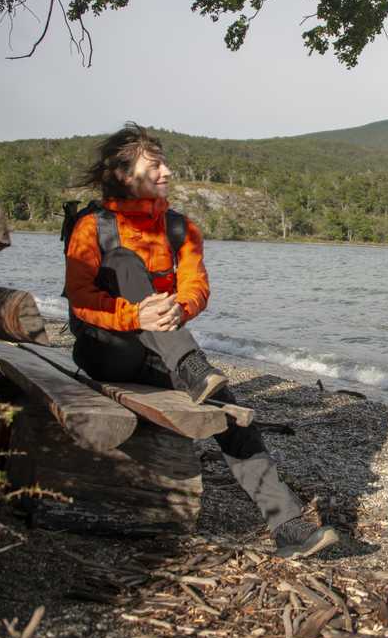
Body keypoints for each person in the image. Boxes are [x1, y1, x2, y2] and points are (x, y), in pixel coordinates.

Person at [63, 122, 338, 559]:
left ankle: (286, 525)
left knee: (229, 408)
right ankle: (192, 368)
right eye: (155, 165)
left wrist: (179, 309)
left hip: (162, 353)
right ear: (122, 174)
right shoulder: (92, 227)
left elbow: (196, 288)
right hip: (106, 349)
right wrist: (134, 313)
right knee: (124, 262)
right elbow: (80, 303)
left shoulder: (180, 228)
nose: (167, 172)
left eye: (165, 163)